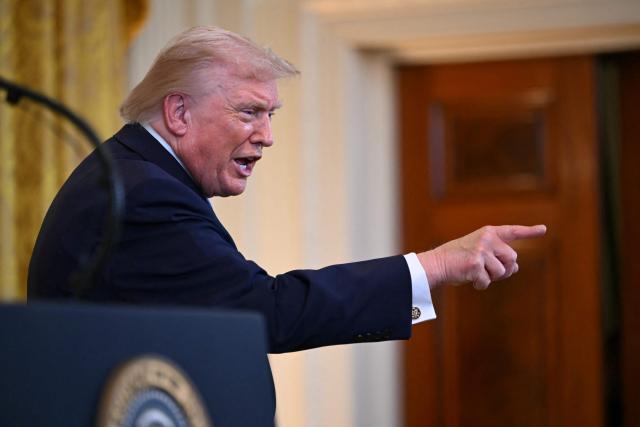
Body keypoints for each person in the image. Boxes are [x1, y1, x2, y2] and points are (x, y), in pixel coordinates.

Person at [28, 26, 546, 354]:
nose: (267, 136)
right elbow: (265, 312)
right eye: (249, 112)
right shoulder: (145, 194)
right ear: (179, 112)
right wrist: (434, 265)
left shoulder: (135, 173)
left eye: (270, 115)